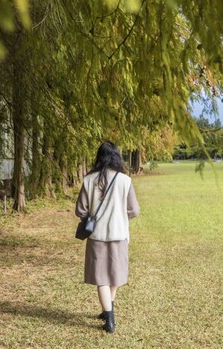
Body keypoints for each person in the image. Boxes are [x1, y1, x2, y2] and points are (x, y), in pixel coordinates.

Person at [75, 141, 140, 334]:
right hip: (119, 234)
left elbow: (80, 210)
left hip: (97, 236)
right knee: (114, 274)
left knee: (101, 277)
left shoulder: (89, 180)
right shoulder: (125, 180)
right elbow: (134, 210)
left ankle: (109, 316)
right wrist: (121, 216)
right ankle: (108, 309)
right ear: (116, 157)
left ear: (99, 157)